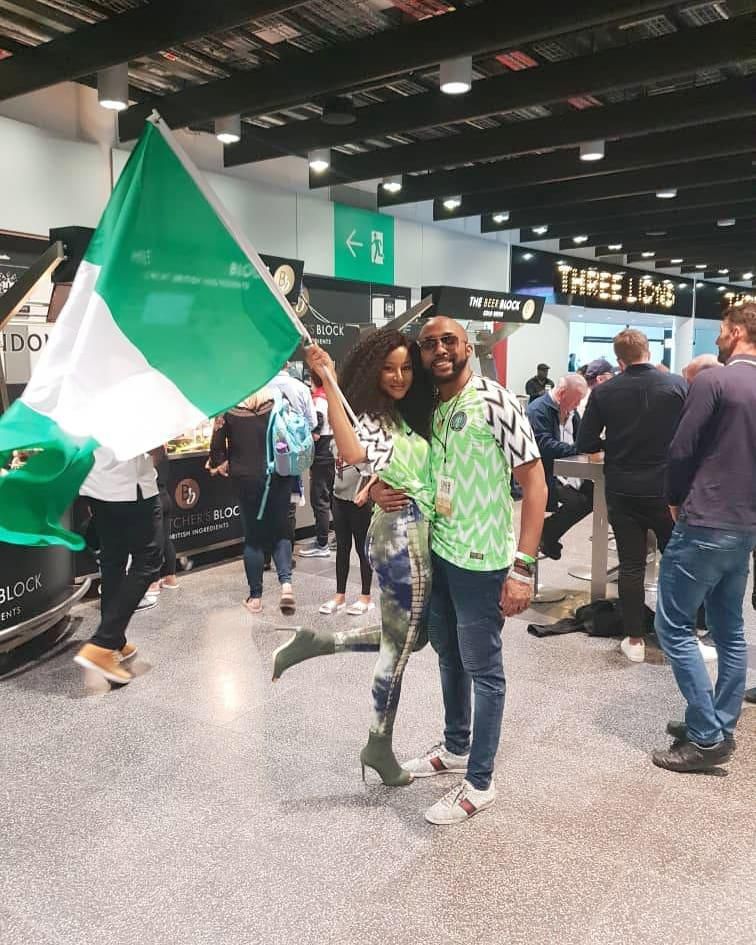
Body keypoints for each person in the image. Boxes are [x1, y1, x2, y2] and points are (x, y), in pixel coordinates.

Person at [382, 317, 547, 825]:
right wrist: (383, 489)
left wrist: (523, 568)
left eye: (448, 341)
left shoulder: (496, 402)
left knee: (483, 670)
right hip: (441, 554)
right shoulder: (430, 405)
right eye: (429, 344)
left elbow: (535, 483)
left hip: (483, 562)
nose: (439, 350)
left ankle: (480, 782)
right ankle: (456, 747)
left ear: (467, 347)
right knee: (448, 657)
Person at [271, 328, 436, 787]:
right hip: (403, 536)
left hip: (408, 531)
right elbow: (352, 451)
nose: (399, 377)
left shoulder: (403, 414)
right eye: (389, 369)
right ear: (372, 371)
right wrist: (327, 377)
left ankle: (317, 643)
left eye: (406, 368)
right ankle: (378, 745)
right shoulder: (371, 416)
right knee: (399, 651)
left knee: (413, 637)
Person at [652, 302, 756, 772]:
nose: (717, 337)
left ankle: (707, 736)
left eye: (721, 329)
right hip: (744, 526)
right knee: (729, 628)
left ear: (736, 331)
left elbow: (682, 448)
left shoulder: (715, 381)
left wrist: (674, 500)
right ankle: (719, 722)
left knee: (672, 626)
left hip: (705, 519)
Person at [576, 330, 690, 664]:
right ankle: (677, 634)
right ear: (648, 351)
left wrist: (614, 446)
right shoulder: (677, 386)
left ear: (619, 359)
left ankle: (634, 638)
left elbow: (586, 442)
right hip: (666, 490)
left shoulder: (604, 391)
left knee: (631, 564)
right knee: (676, 562)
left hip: (622, 489)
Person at [73, 450, 163, 684]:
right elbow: (153, 448)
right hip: (132, 486)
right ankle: (103, 643)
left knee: (113, 560)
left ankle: (114, 642)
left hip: (97, 485)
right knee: (149, 561)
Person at [209, 389, 295, 616]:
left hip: (246, 477)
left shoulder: (227, 406)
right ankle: (286, 584)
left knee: (254, 538)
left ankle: (255, 598)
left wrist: (222, 463)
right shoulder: (277, 398)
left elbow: (216, 449)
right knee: (280, 530)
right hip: (279, 472)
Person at [527, 373, 593, 561]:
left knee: (598, 493)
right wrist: (578, 450)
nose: (578, 404)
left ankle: (549, 533)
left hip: (570, 473)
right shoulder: (538, 410)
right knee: (580, 502)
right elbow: (544, 445)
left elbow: (581, 439)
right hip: (545, 476)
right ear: (563, 393)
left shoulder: (572, 413)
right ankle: (547, 533)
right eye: (576, 400)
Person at [268, 363, 317, 563]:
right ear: (287, 364)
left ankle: (265, 556)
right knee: (288, 506)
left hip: (265, 453)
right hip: (290, 454)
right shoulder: (300, 388)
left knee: (266, 504)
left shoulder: (260, 387)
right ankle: (286, 557)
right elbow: (312, 422)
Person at [319, 448, 374, 616]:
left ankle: (366, 596)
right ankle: (340, 595)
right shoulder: (336, 439)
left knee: (362, 549)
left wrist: (367, 490)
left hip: (359, 500)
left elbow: (379, 468)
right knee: (342, 548)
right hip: (339, 497)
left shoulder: (366, 437)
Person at [299, 370, 335, 558]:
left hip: (321, 453)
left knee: (319, 498)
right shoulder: (331, 397)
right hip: (332, 450)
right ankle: (336, 537)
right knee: (331, 496)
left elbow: (316, 430)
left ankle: (322, 543)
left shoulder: (318, 401)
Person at [145, 445, 178, 600]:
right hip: (165, 497)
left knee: (153, 541)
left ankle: (153, 582)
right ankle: (170, 578)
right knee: (165, 539)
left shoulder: (146, 455)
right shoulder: (163, 453)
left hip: (153, 500)